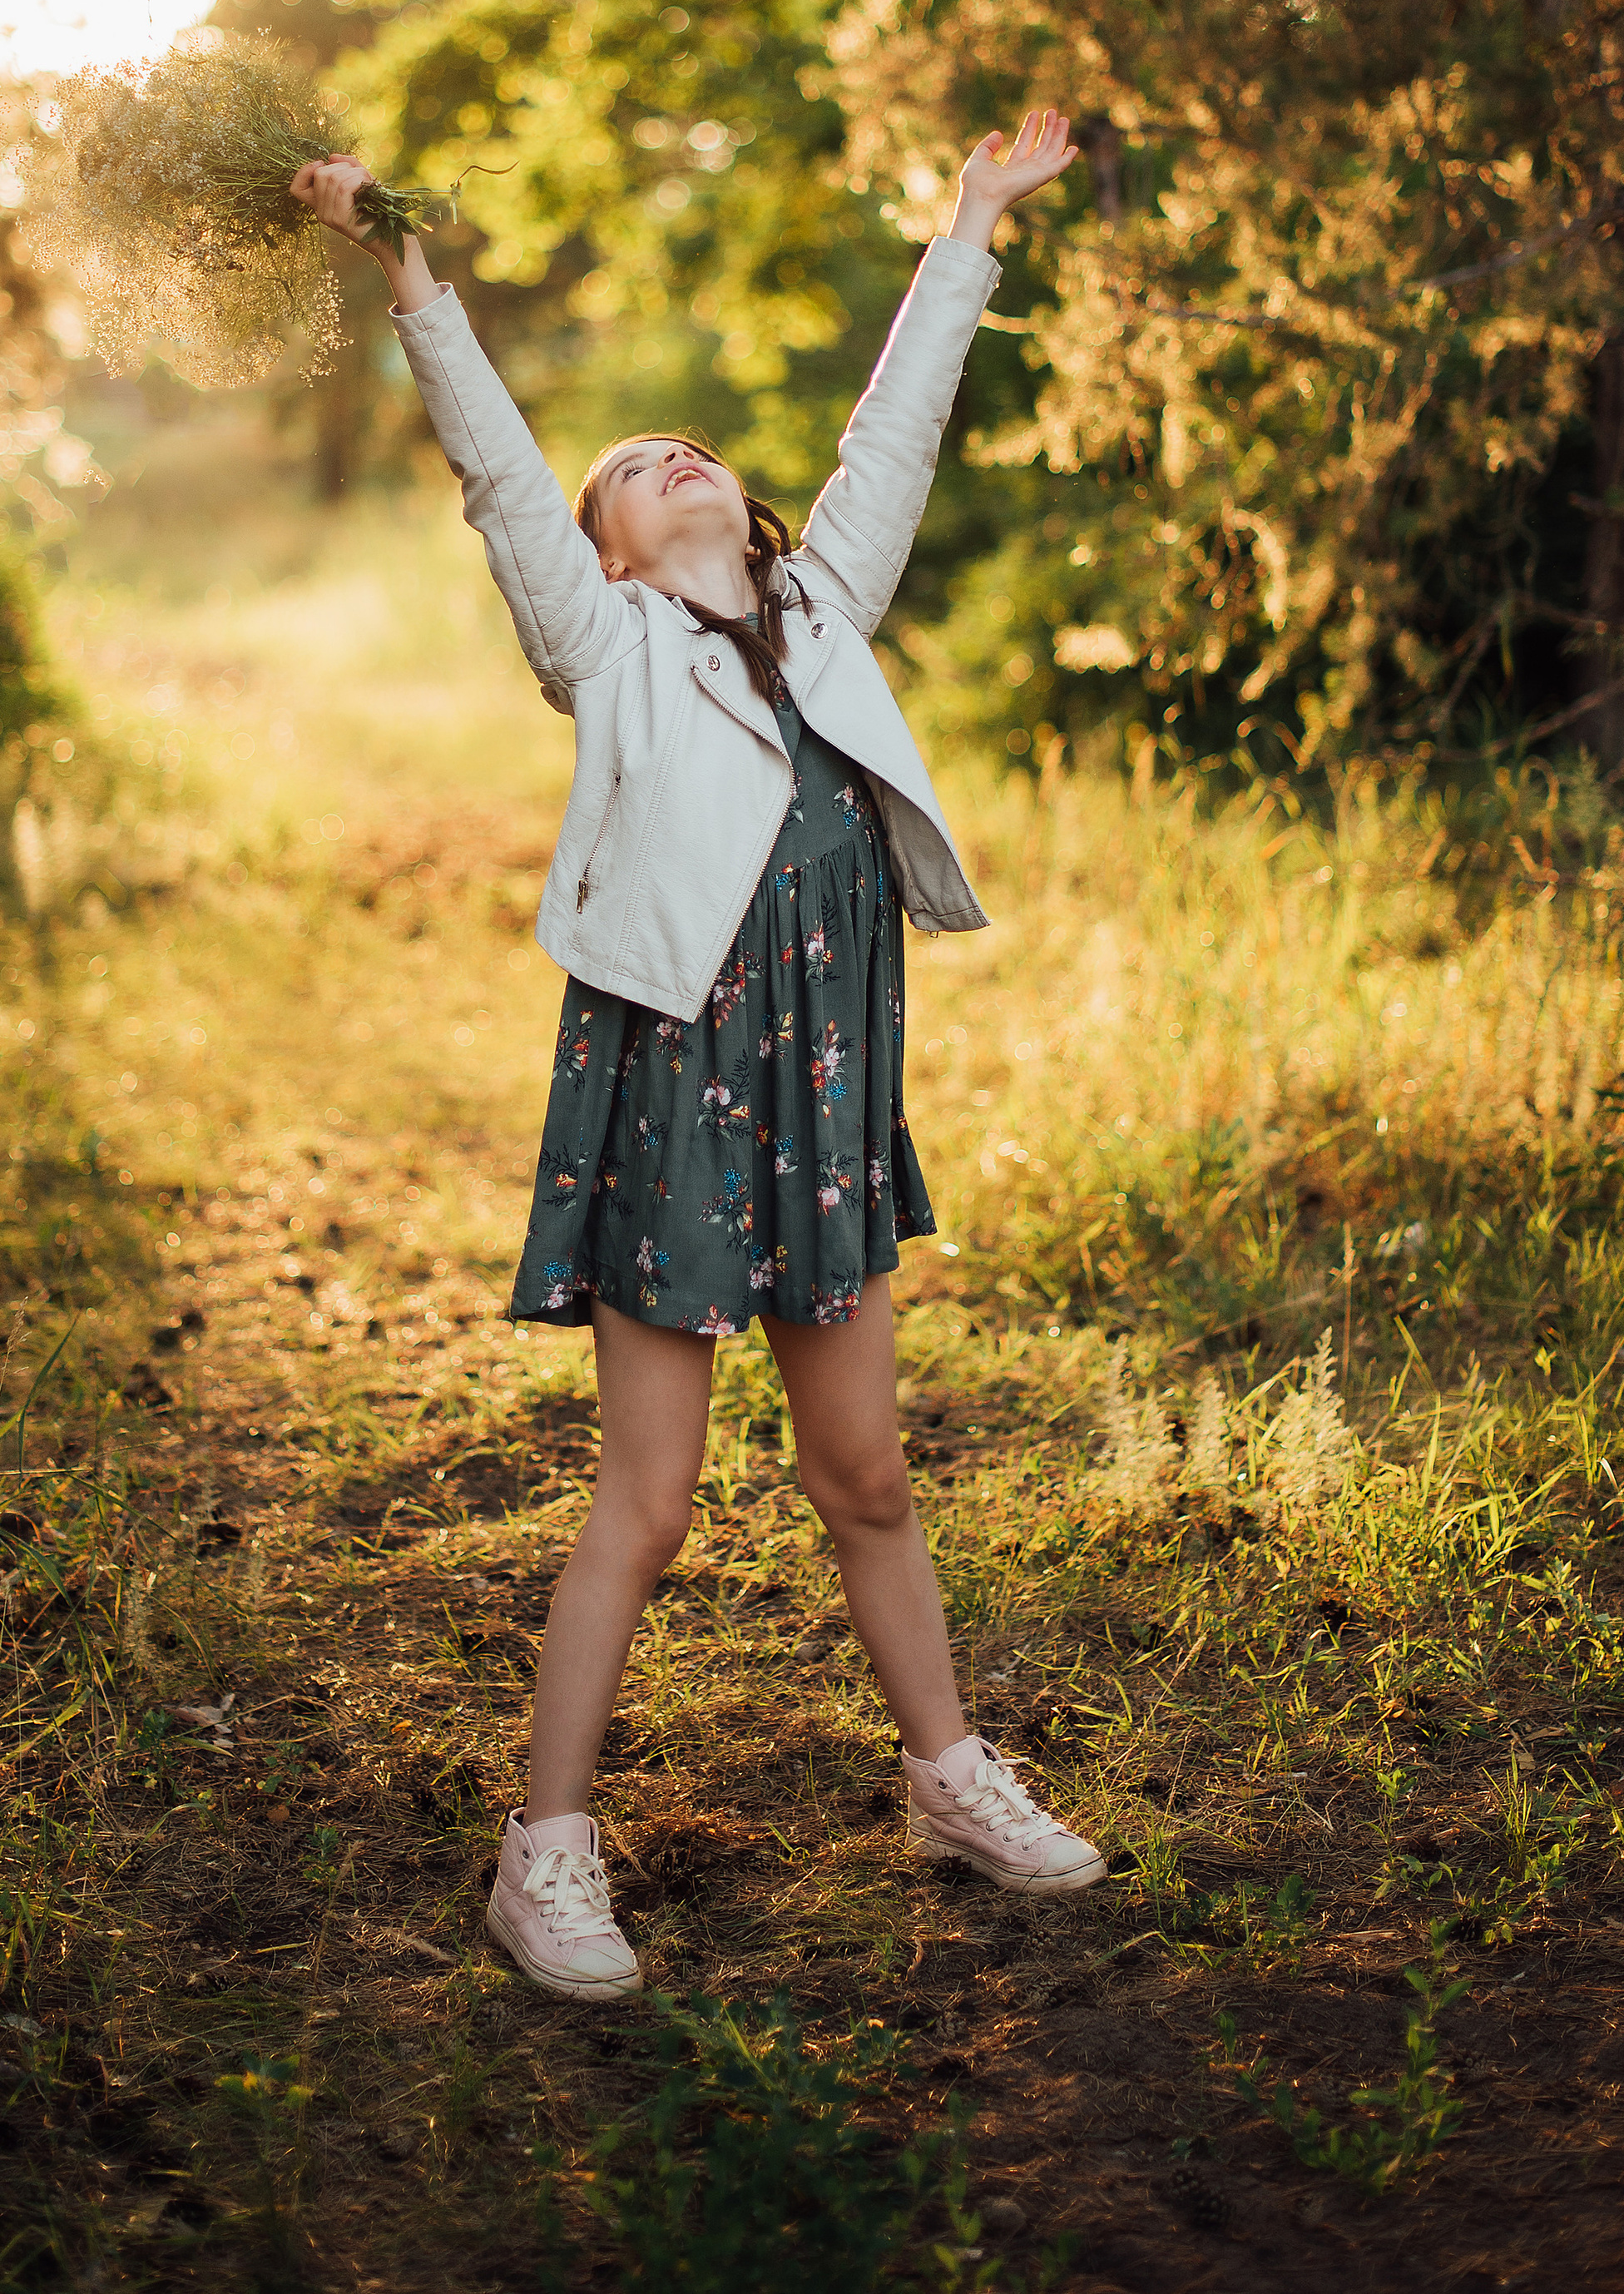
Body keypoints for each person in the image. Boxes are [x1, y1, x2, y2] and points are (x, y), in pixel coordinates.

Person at [290, 111, 1108, 2003]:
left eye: (695, 454)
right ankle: (545, 1851)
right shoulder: (606, 651)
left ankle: (945, 1776)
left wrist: (972, 219)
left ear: (743, 517)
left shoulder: (825, 614)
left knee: (866, 1478)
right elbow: (498, 470)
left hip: (824, 1099)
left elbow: (888, 430)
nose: (672, 458)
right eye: (630, 469)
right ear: (603, 551)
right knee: (644, 1508)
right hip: (673, 1093)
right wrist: (403, 264)